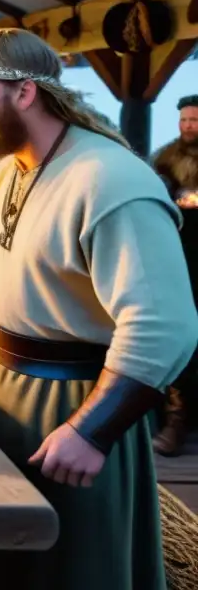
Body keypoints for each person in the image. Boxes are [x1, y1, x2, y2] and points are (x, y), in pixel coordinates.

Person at [0, 28, 197, 590]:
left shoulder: (111, 181)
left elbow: (164, 326)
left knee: (74, 567)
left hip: (74, 406)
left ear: (25, 93)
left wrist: (93, 431)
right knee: (8, 562)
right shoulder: (10, 166)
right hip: (1, 394)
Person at [149, 93, 198, 455]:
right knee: (174, 332)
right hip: (176, 255)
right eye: (184, 120)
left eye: (194, 121)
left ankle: (182, 420)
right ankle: (171, 417)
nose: (188, 127)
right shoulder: (166, 155)